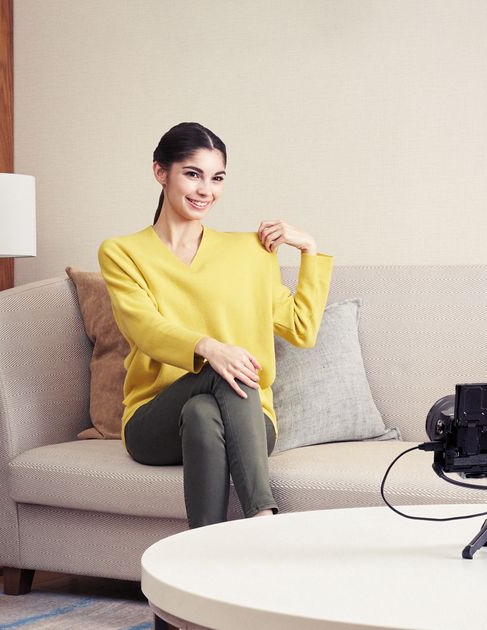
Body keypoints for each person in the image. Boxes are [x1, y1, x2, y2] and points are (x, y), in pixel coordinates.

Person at [98, 122, 334, 529]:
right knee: (226, 369)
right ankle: (263, 518)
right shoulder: (123, 252)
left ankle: (203, 546)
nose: (205, 190)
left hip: (248, 418)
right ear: (160, 172)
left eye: (217, 178)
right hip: (154, 420)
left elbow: (302, 329)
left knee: (204, 408)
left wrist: (309, 250)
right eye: (193, 174)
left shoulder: (250, 251)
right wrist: (210, 348)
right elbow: (144, 328)